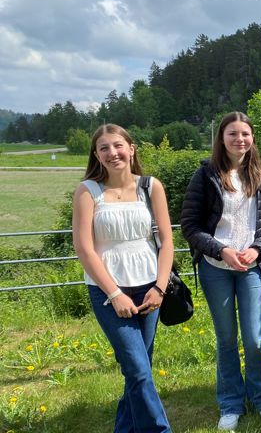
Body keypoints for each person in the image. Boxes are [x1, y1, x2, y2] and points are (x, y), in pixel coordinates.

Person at [180, 111, 261, 431]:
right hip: (216, 269)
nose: (240, 139)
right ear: (221, 139)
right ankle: (230, 403)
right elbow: (190, 225)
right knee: (226, 339)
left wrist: (257, 248)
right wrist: (220, 249)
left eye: (245, 134)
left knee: (254, 339)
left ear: (252, 139)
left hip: (252, 268)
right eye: (233, 134)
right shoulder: (206, 175)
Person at [72, 124, 173, 433]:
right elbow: (85, 249)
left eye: (117, 145)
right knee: (139, 370)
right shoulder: (88, 191)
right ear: (97, 155)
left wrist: (160, 287)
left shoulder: (150, 186)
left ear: (131, 149)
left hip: (149, 288)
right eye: (104, 148)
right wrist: (115, 294)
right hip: (107, 291)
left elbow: (167, 241)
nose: (112, 153)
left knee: (137, 371)